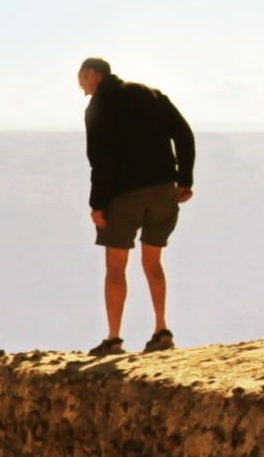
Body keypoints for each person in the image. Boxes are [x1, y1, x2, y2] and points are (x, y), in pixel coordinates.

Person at [78, 57, 195, 355]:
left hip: (124, 196)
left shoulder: (98, 108)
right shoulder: (151, 95)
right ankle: (162, 331)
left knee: (116, 266)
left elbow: (99, 160)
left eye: (82, 82)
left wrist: (98, 204)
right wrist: (184, 179)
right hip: (162, 191)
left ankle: (114, 339)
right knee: (153, 262)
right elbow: (183, 134)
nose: (82, 89)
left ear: (93, 74)